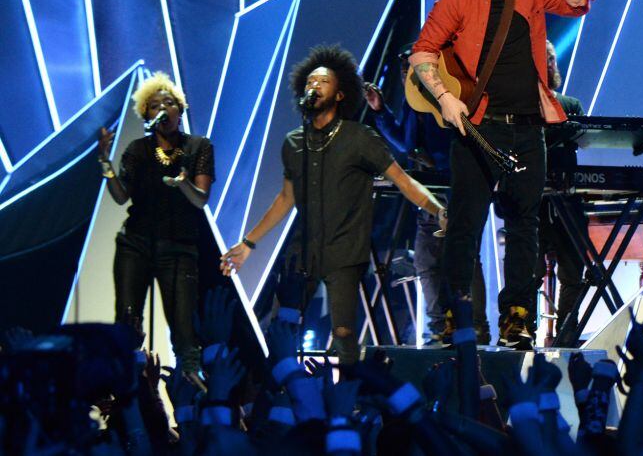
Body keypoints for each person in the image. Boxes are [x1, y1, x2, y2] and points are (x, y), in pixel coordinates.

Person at [409, 0, 593, 348]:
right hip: (478, 130)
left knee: (524, 225)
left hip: (528, 129)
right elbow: (422, 53)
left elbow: (577, 4)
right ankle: (457, 317)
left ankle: (517, 319)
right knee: (465, 225)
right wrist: (445, 97)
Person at [220, 45, 447, 364]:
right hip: (303, 252)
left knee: (343, 334)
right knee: (282, 329)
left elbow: (403, 180)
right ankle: (280, 390)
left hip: (345, 251)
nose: (314, 86)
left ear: (340, 95)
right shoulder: (294, 142)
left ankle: (347, 390)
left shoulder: (360, 138)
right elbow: (286, 198)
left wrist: (438, 210)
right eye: (310, 81)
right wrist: (248, 244)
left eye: (323, 81)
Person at [364, 48, 490, 344]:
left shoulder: (447, 96)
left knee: (463, 256)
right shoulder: (413, 102)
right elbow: (406, 143)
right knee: (427, 260)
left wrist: (439, 163)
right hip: (430, 191)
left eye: (411, 71)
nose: (407, 78)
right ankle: (440, 327)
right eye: (404, 73)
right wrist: (381, 111)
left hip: (456, 186)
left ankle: (474, 327)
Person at [97, 72, 214, 374]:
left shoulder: (198, 147)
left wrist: (183, 183)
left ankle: (190, 391)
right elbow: (121, 197)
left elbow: (200, 199)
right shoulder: (137, 150)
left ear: (180, 110)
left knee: (184, 330)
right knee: (128, 323)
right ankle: (129, 391)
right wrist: (106, 164)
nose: (163, 108)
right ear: (146, 115)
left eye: (169, 103)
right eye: (154, 105)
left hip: (179, 248)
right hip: (135, 245)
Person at [534, 40, 588, 340]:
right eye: (544, 59)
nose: (550, 65)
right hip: (534, 202)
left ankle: (567, 336)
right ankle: (522, 334)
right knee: (529, 273)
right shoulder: (519, 108)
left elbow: (584, 138)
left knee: (573, 272)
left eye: (552, 59)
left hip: (568, 200)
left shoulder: (571, 105)